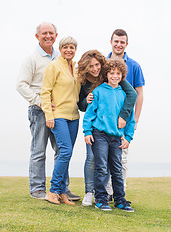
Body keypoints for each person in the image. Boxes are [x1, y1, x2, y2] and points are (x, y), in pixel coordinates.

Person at [16, 23, 80, 201]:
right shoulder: (32, 58)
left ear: (56, 35)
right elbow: (20, 85)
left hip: (59, 111)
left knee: (62, 149)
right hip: (39, 110)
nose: (48, 36)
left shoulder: (61, 58)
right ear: (37, 36)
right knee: (39, 150)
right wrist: (42, 103)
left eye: (51, 33)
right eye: (44, 33)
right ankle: (37, 189)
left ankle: (62, 188)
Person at [77, 50, 137, 206]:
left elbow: (130, 118)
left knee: (116, 169)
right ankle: (100, 199)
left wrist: (128, 137)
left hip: (117, 137)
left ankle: (120, 200)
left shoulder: (124, 94)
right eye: (111, 73)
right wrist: (87, 132)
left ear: (122, 75)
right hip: (100, 135)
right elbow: (88, 113)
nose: (115, 76)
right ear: (107, 74)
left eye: (118, 74)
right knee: (101, 166)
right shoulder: (97, 91)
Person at [41, 36, 81, 205]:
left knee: (67, 154)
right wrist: (49, 115)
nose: (68, 50)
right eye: (65, 47)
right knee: (65, 151)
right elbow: (45, 92)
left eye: (72, 47)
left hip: (74, 116)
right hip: (58, 116)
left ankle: (63, 193)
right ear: (60, 48)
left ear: (75, 49)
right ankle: (53, 190)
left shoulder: (77, 68)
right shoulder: (54, 66)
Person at [107, 29, 145, 190]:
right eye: (116, 41)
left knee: (121, 158)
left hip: (124, 120)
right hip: (105, 118)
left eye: (122, 42)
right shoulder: (103, 62)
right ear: (111, 42)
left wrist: (135, 120)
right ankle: (104, 191)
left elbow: (139, 94)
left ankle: (118, 192)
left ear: (126, 44)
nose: (118, 44)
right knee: (102, 158)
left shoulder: (134, 66)